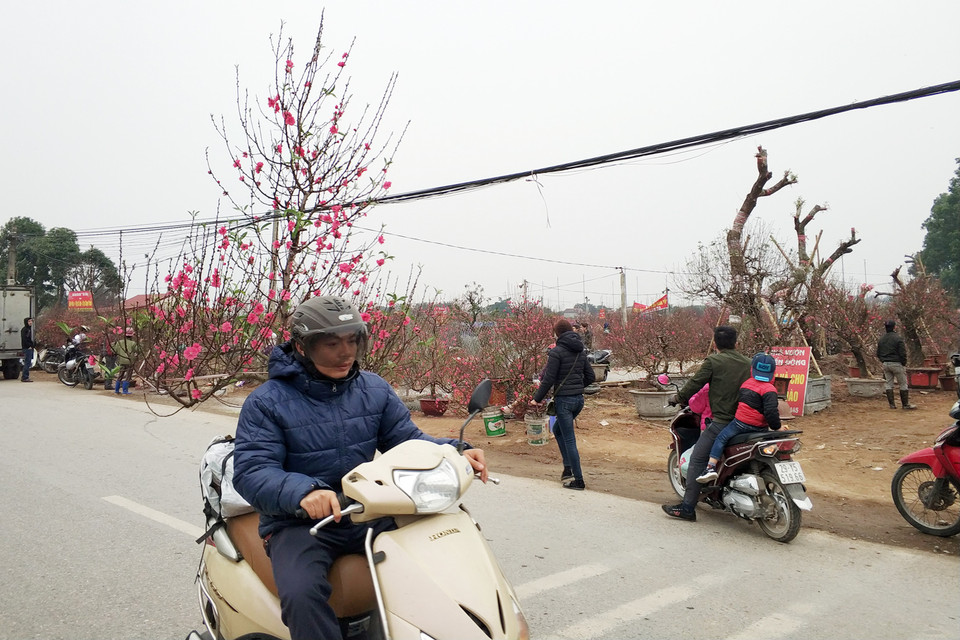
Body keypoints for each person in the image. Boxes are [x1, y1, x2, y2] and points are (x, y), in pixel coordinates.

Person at [232, 296, 488, 640]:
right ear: (302, 347)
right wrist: (304, 492)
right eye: (331, 344)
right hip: (300, 523)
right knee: (301, 594)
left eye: (353, 340)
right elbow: (252, 470)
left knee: (440, 552)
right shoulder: (266, 402)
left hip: (369, 510)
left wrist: (457, 450)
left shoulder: (373, 388)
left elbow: (407, 440)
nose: (345, 352)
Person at [662, 325, 751, 521]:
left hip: (722, 421)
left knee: (697, 459)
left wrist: (677, 398)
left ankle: (687, 508)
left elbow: (696, 383)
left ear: (715, 344)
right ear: (737, 343)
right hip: (747, 421)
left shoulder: (714, 361)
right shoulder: (748, 363)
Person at [529, 318, 595, 490]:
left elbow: (548, 379)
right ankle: (567, 469)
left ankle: (578, 480)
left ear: (557, 333)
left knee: (569, 439)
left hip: (564, 401)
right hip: (578, 400)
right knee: (558, 430)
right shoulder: (580, 351)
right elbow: (591, 377)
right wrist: (577, 388)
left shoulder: (556, 352)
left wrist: (537, 398)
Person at [696, 353, 782, 483]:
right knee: (773, 442)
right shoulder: (770, 389)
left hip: (740, 424)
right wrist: (777, 427)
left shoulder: (746, 384)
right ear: (773, 372)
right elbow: (771, 413)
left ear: (752, 369)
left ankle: (710, 467)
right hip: (760, 428)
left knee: (721, 438)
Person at [877, 319, 916, 410]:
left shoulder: (881, 339)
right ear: (894, 327)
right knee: (903, 384)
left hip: (886, 364)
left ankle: (892, 405)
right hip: (897, 363)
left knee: (889, 384)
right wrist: (903, 362)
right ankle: (905, 404)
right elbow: (902, 353)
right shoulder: (898, 338)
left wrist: (883, 360)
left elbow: (878, 353)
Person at [112, 328, 139, 395]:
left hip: (121, 361)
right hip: (129, 362)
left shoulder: (119, 342)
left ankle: (116, 390)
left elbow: (114, 351)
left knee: (120, 375)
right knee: (128, 376)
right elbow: (138, 350)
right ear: (132, 335)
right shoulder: (133, 343)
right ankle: (125, 391)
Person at [20, 317, 34, 383]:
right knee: (27, 363)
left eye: (31, 321)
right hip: (27, 348)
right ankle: (25, 377)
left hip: (29, 348)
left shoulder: (29, 329)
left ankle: (25, 377)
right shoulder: (25, 330)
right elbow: (25, 339)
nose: (30, 322)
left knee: (28, 363)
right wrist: (29, 346)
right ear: (26, 322)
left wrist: (33, 345)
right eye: (29, 321)